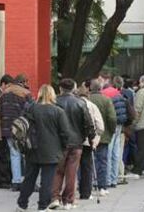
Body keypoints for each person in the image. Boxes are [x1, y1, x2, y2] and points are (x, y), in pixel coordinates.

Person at [16, 85, 70, 212]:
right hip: (51, 151)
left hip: (32, 148)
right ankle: (42, 206)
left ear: (39, 94)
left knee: (29, 178)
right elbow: (65, 133)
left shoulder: (31, 109)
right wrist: (62, 147)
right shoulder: (58, 111)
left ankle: (22, 204)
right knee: (47, 181)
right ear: (52, 95)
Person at [50, 78, 95, 210]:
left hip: (59, 142)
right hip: (77, 142)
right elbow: (88, 122)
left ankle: (55, 198)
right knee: (71, 172)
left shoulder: (54, 102)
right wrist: (90, 137)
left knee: (58, 171)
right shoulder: (80, 102)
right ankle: (68, 200)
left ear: (60, 88)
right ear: (73, 88)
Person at [0, 74, 32, 191]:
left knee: (14, 154)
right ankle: (27, 181)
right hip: (22, 129)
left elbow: (0, 111)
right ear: (23, 82)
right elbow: (30, 112)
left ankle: (16, 181)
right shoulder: (26, 93)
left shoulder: (4, 93)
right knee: (26, 154)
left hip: (7, 129)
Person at [76, 83, 105, 200]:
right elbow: (100, 126)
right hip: (88, 141)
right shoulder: (92, 106)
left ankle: (73, 190)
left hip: (74, 141)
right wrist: (95, 140)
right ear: (88, 94)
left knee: (73, 166)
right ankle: (86, 193)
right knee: (86, 167)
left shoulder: (74, 104)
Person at [89, 79, 117, 196]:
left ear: (90, 88)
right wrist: (111, 131)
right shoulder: (106, 100)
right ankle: (102, 186)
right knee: (102, 161)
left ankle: (87, 186)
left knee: (88, 162)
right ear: (101, 88)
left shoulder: (87, 100)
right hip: (103, 135)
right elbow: (112, 118)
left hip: (88, 136)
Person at [101, 76, 129, 189]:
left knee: (108, 151)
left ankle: (107, 179)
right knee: (116, 153)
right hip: (119, 125)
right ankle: (114, 178)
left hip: (109, 125)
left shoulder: (104, 94)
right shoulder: (118, 93)